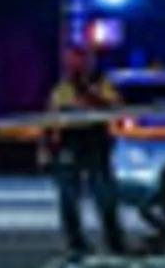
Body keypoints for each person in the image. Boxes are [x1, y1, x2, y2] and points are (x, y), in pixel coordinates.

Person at [44, 48, 126, 256]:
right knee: (69, 198)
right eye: (71, 61)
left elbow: (116, 109)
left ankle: (114, 242)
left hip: (96, 145)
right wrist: (48, 149)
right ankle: (76, 244)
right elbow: (51, 119)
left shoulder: (101, 84)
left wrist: (90, 97)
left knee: (105, 196)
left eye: (79, 61)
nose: (74, 66)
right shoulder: (62, 88)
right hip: (70, 146)